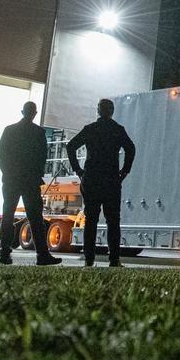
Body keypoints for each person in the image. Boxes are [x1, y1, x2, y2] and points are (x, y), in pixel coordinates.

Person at [66, 98, 136, 267]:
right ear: (112, 111)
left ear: (98, 111)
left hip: (91, 179)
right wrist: (125, 171)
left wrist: (79, 170)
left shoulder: (90, 129)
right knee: (113, 221)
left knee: (91, 220)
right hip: (111, 180)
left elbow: (71, 146)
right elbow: (131, 148)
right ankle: (114, 259)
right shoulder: (118, 130)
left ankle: (89, 259)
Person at [0, 101, 61, 266]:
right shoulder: (39, 133)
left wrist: (8, 173)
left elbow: (1, 155)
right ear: (35, 113)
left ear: (22, 111)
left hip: (12, 180)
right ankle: (42, 255)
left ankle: (5, 254)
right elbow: (42, 158)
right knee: (36, 219)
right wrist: (36, 174)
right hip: (30, 181)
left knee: (8, 215)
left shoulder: (9, 130)